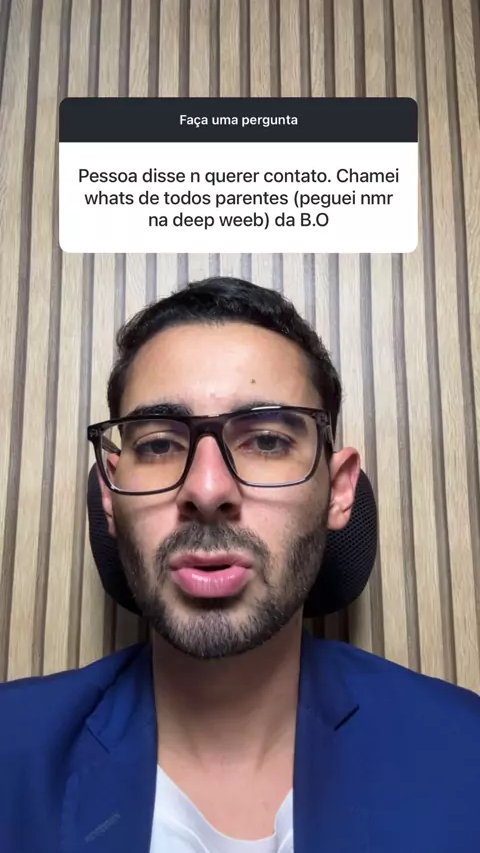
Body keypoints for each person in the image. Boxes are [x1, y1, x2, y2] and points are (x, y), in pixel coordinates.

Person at [0, 277, 479, 853]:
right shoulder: (11, 750)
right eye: (158, 444)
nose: (207, 490)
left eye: (268, 441)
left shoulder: (466, 755)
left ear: (338, 491)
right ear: (109, 495)